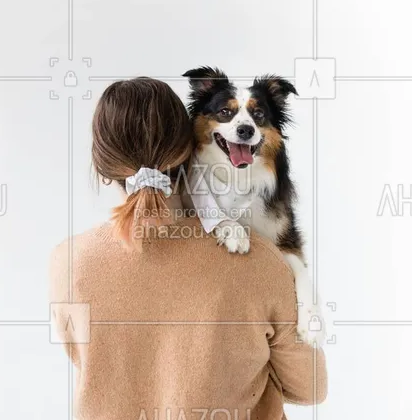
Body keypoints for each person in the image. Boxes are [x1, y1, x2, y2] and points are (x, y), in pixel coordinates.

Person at [49, 78, 327, 420]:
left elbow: (94, 365)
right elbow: (310, 386)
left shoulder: (68, 261)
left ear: (102, 168)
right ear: (188, 150)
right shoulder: (261, 260)